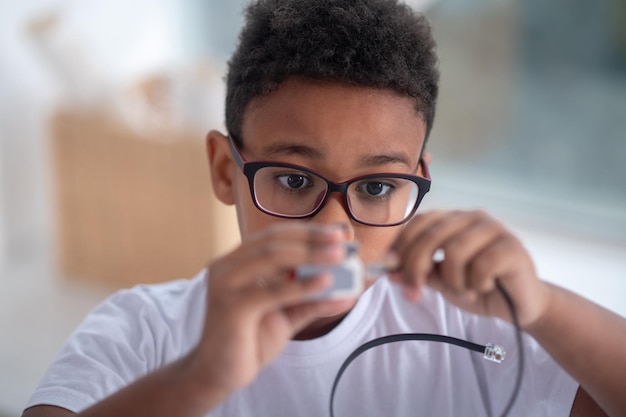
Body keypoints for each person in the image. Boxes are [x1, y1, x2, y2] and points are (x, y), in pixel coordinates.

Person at [23, 0, 626, 416]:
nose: (333, 229)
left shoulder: (477, 334)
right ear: (225, 169)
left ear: (418, 182)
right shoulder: (140, 335)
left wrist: (546, 308)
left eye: (376, 188)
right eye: (291, 179)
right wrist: (199, 377)